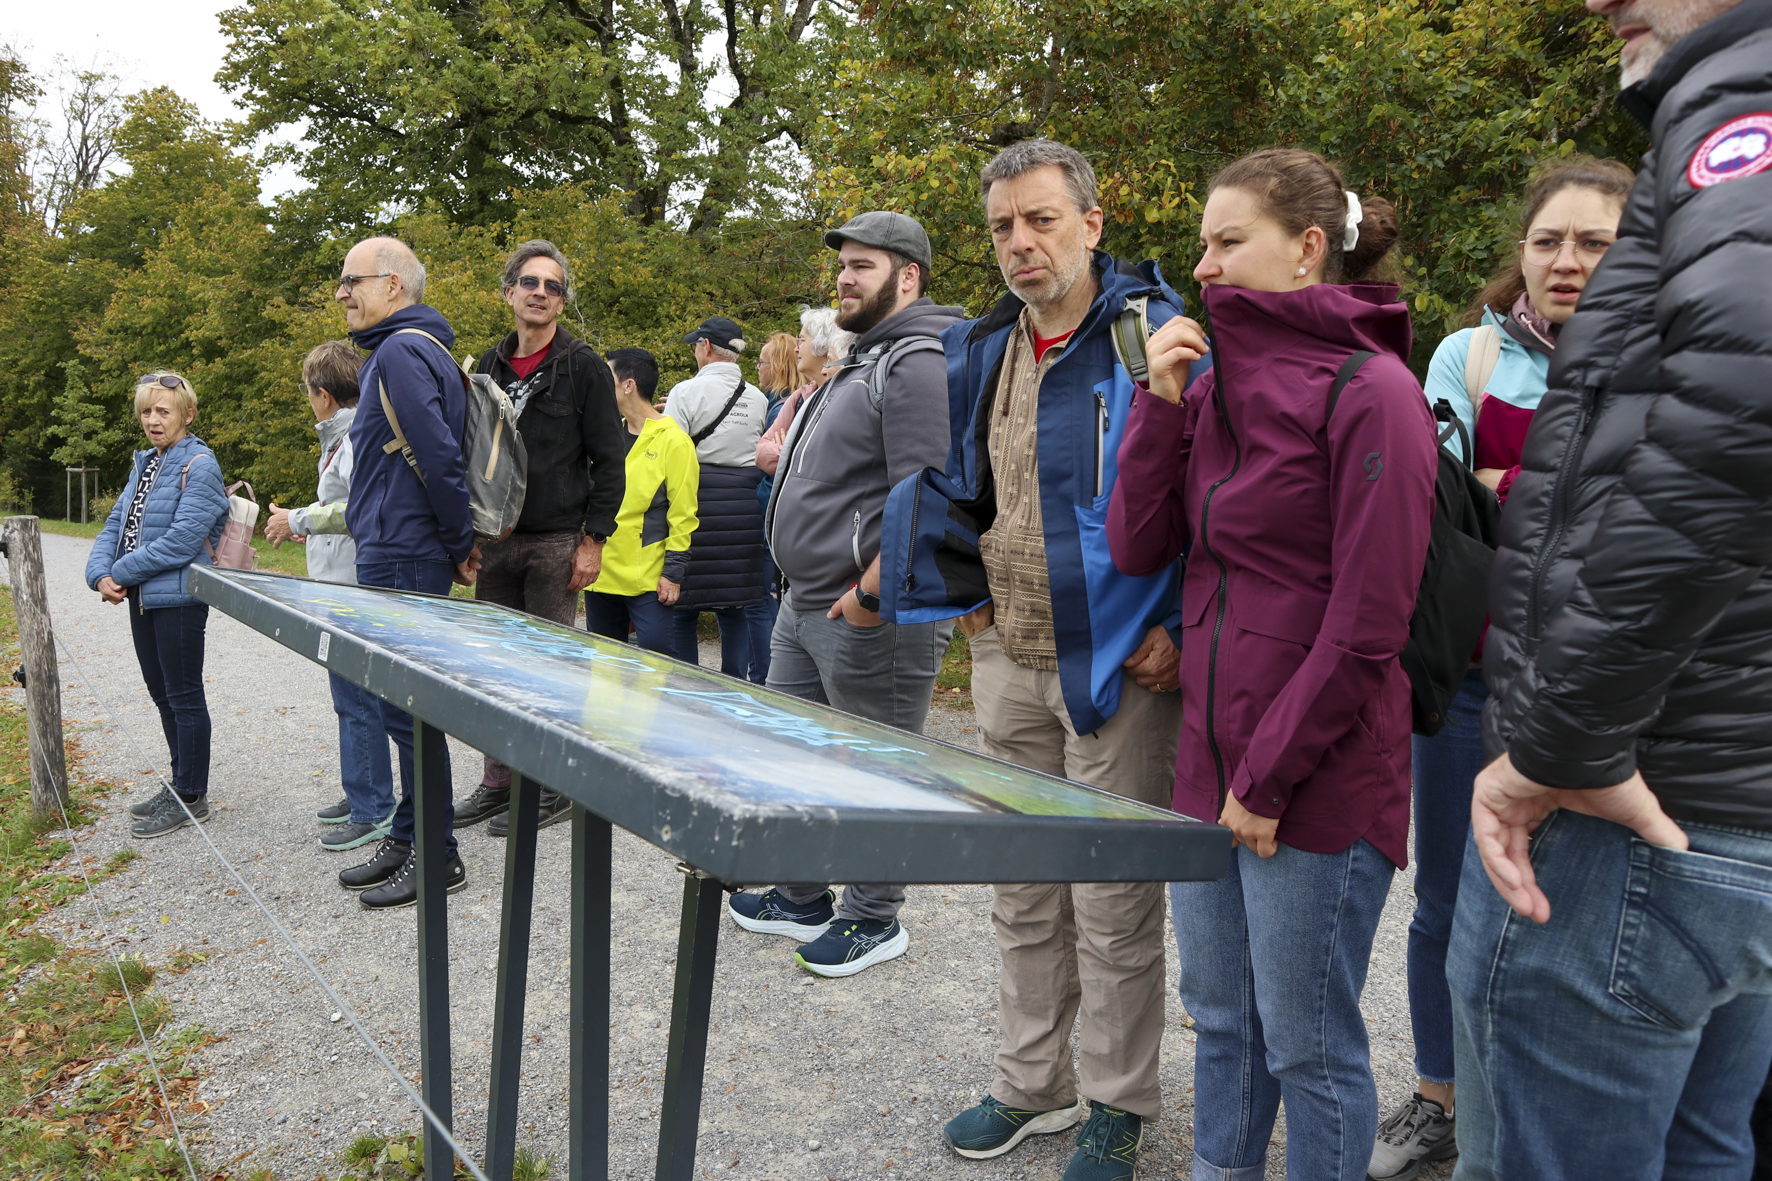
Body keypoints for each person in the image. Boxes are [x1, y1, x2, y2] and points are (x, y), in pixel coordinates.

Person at [1453, 0, 1772, 1176]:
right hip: (1720, 797)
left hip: (1627, 806)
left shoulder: (1740, 92)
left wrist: (1564, 740)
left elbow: (1743, 408)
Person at [1108, 149, 1435, 1181]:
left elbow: (1368, 619)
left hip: (1318, 778)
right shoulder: (1209, 390)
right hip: (1212, 764)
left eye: (1225, 241)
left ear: (1303, 249)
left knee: (1305, 1043)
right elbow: (1134, 546)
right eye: (1201, 242)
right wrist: (1155, 406)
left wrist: (1267, 777)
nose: (1200, 267)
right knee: (1221, 1021)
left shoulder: (1373, 390)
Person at [883, 141, 1194, 1181]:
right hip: (1008, 658)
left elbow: (1224, 499)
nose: (1021, 242)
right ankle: (1031, 1083)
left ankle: (1114, 1102)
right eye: (1004, 226)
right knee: (1021, 890)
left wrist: (1184, 632)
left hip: (1118, 667)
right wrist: (967, 608)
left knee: (1111, 903)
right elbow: (975, 490)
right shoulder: (983, 347)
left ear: (1092, 222)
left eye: (1043, 219)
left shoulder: (1151, 333)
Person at [1367, 154, 1631, 1181]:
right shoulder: (1466, 355)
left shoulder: (1672, 357)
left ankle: (1541, 1108)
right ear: (1518, 249)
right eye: (1547, 240)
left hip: (1610, 695)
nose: (1566, 261)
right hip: (1473, 681)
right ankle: (1438, 1096)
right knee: (1445, 896)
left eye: (1594, 242)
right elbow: (1444, 521)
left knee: (1580, 908)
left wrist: (1505, 483)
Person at [728, 211, 962, 979]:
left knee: (877, 766)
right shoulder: (866, 357)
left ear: (909, 276)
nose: (845, 277)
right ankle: (801, 894)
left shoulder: (917, 359)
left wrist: (870, 592)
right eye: (843, 266)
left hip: (866, 610)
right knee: (795, 752)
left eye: (865, 265)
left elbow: (925, 492)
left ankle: (873, 915)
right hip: (802, 600)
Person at [456, 239, 626, 836]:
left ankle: (553, 785)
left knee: (551, 668)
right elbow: (474, 457)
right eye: (531, 283)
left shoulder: (582, 367)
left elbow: (611, 461)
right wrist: (468, 535)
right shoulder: (487, 365)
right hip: (497, 539)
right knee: (495, 669)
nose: (541, 294)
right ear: (509, 292)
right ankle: (499, 784)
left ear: (561, 301)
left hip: (556, 541)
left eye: (554, 287)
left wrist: (594, 540)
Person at [332, 236, 477, 910]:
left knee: (409, 711)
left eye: (351, 280)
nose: (342, 294)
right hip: (403, 545)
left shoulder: (400, 350)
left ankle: (438, 854)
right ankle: (411, 834)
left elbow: (440, 456)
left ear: (393, 285)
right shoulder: (422, 347)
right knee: (401, 706)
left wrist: (456, 542)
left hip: (404, 551)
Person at [263, 340, 398, 854]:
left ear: (322, 394)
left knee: (357, 699)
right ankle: (360, 787)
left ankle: (372, 808)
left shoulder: (358, 438)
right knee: (349, 699)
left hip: (353, 591)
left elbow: (360, 512)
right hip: (336, 585)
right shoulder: (340, 439)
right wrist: (307, 527)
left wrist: (296, 518)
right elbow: (337, 508)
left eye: (307, 392)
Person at [85, 372, 230, 839]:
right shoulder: (145, 463)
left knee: (184, 695)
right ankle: (180, 781)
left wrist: (121, 574)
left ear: (186, 414)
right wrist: (98, 574)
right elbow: (115, 522)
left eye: (163, 410)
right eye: (147, 411)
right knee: (161, 693)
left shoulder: (200, 464)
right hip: (145, 599)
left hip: (180, 598)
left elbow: (182, 541)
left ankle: (192, 796)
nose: (153, 419)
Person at [660, 317, 769, 673]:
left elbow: (670, 455)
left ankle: (686, 689)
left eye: (696, 345)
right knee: (734, 607)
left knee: (682, 608)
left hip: (697, 503)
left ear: (706, 347)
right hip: (742, 507)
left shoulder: (684, 392)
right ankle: (734, 685)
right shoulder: (756, 397)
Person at [585, 348, 699, 656]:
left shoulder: (674, 440)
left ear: (629, 385)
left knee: (656, 667)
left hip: (649, 579)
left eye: (607, 376)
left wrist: (673, 573)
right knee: (602, 670)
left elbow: (683, 514)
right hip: (600, 573)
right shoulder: (608, 434)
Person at [740, 330, 801, 684]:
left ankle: (763, 679)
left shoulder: (780, 408)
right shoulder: (777, 405)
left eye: (761, 361)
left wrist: (768, 455)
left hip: (769, 520)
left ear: (775, 365)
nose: (757, 368)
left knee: (761, 602)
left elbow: (774, 466)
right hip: (779, 522)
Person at [754, 306, 854, 479]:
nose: (796, 349)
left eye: (802, 340)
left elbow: (833, 461)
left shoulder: (850, 392)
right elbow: (761, 453)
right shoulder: (800, 397)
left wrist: (789, 449)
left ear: (823, 344)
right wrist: (796, 453)